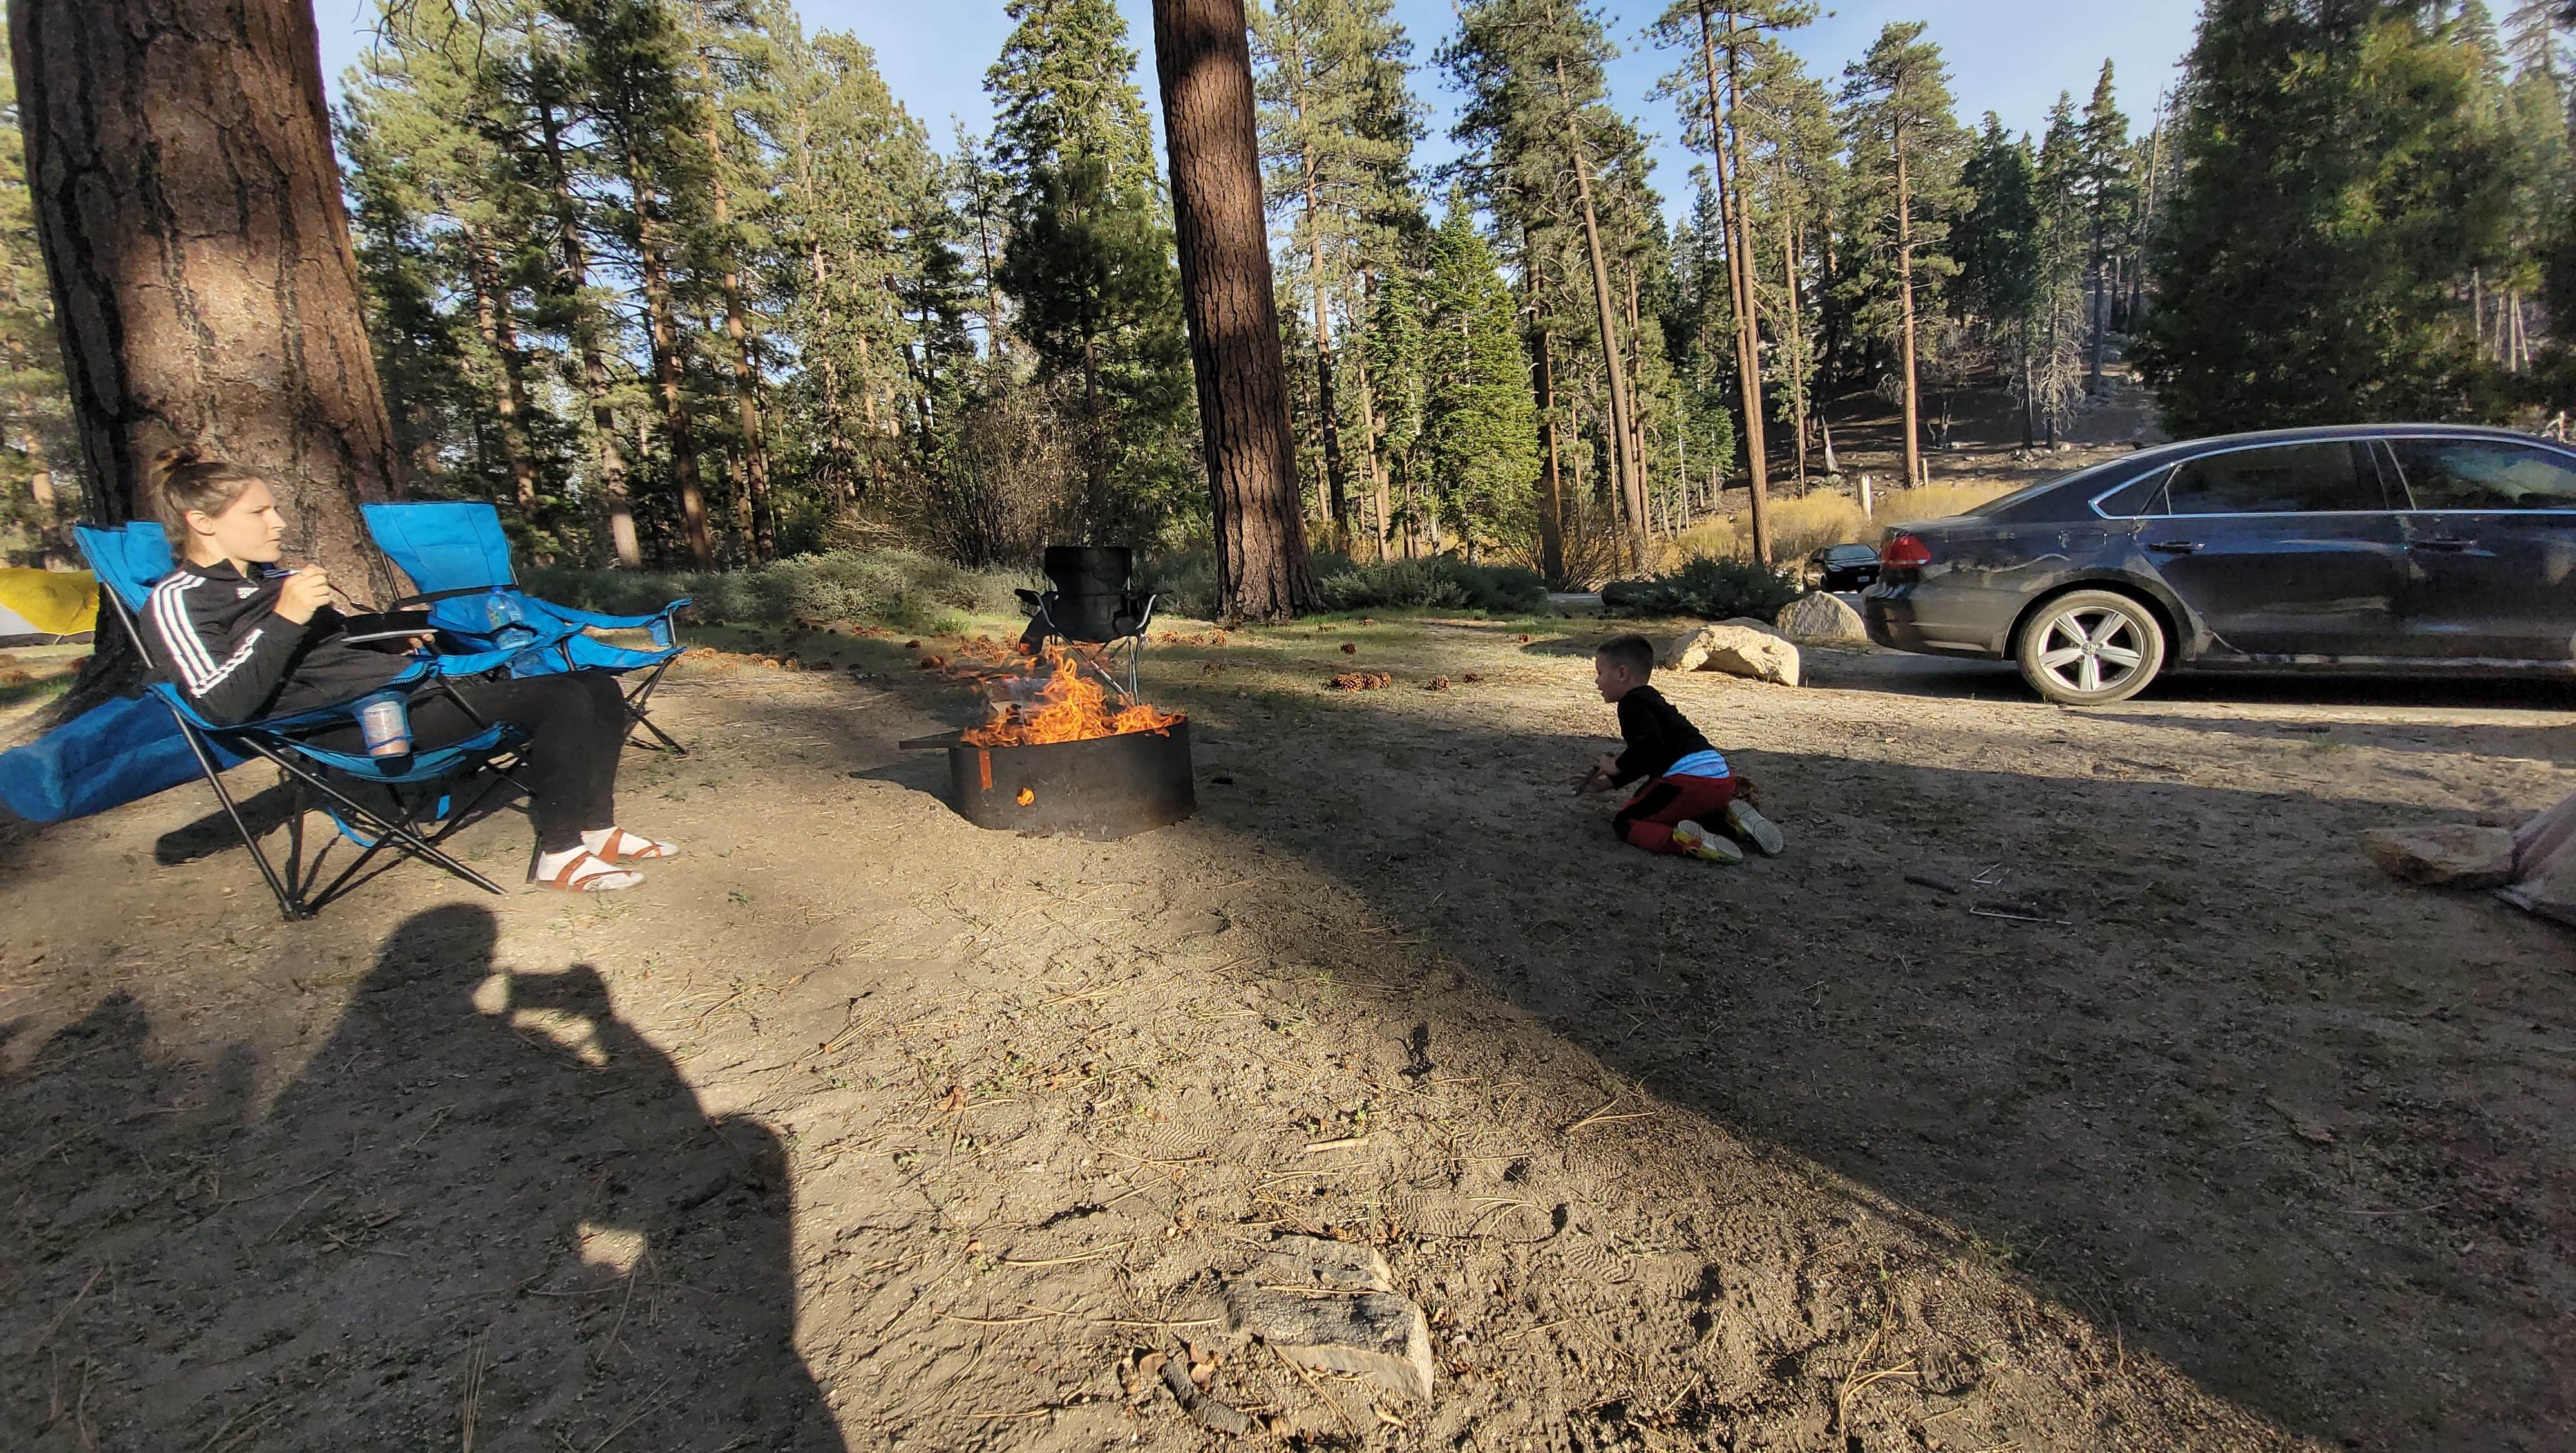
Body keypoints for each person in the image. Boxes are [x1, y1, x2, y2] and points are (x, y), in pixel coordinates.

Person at [138, 447, 676, 892]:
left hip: (402, 692)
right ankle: (560, 854)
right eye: (259, 513)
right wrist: (285, 618)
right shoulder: (180, 600)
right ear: (202, 523)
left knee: (596, 684)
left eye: (273, 508)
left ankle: (596, 828)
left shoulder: (277, 579)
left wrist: (392, 636)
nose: (277, 522)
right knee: (560, 698)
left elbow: (333, 648)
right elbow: (219, 705)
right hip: (346, 727)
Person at [1572, 633, 1785, 863]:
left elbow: (1648, 746)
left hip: (1688, 783)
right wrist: (1607, 784)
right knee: (1685, 810)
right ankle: (1730, 821)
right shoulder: (1655, 701)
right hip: (1721, 780)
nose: (1597, 682)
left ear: (1622, 673)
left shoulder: (1630, 704)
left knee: (1627, 822)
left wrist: (1615, 766)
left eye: (1600, 673)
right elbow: (1650, 757)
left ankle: (1690, 843)